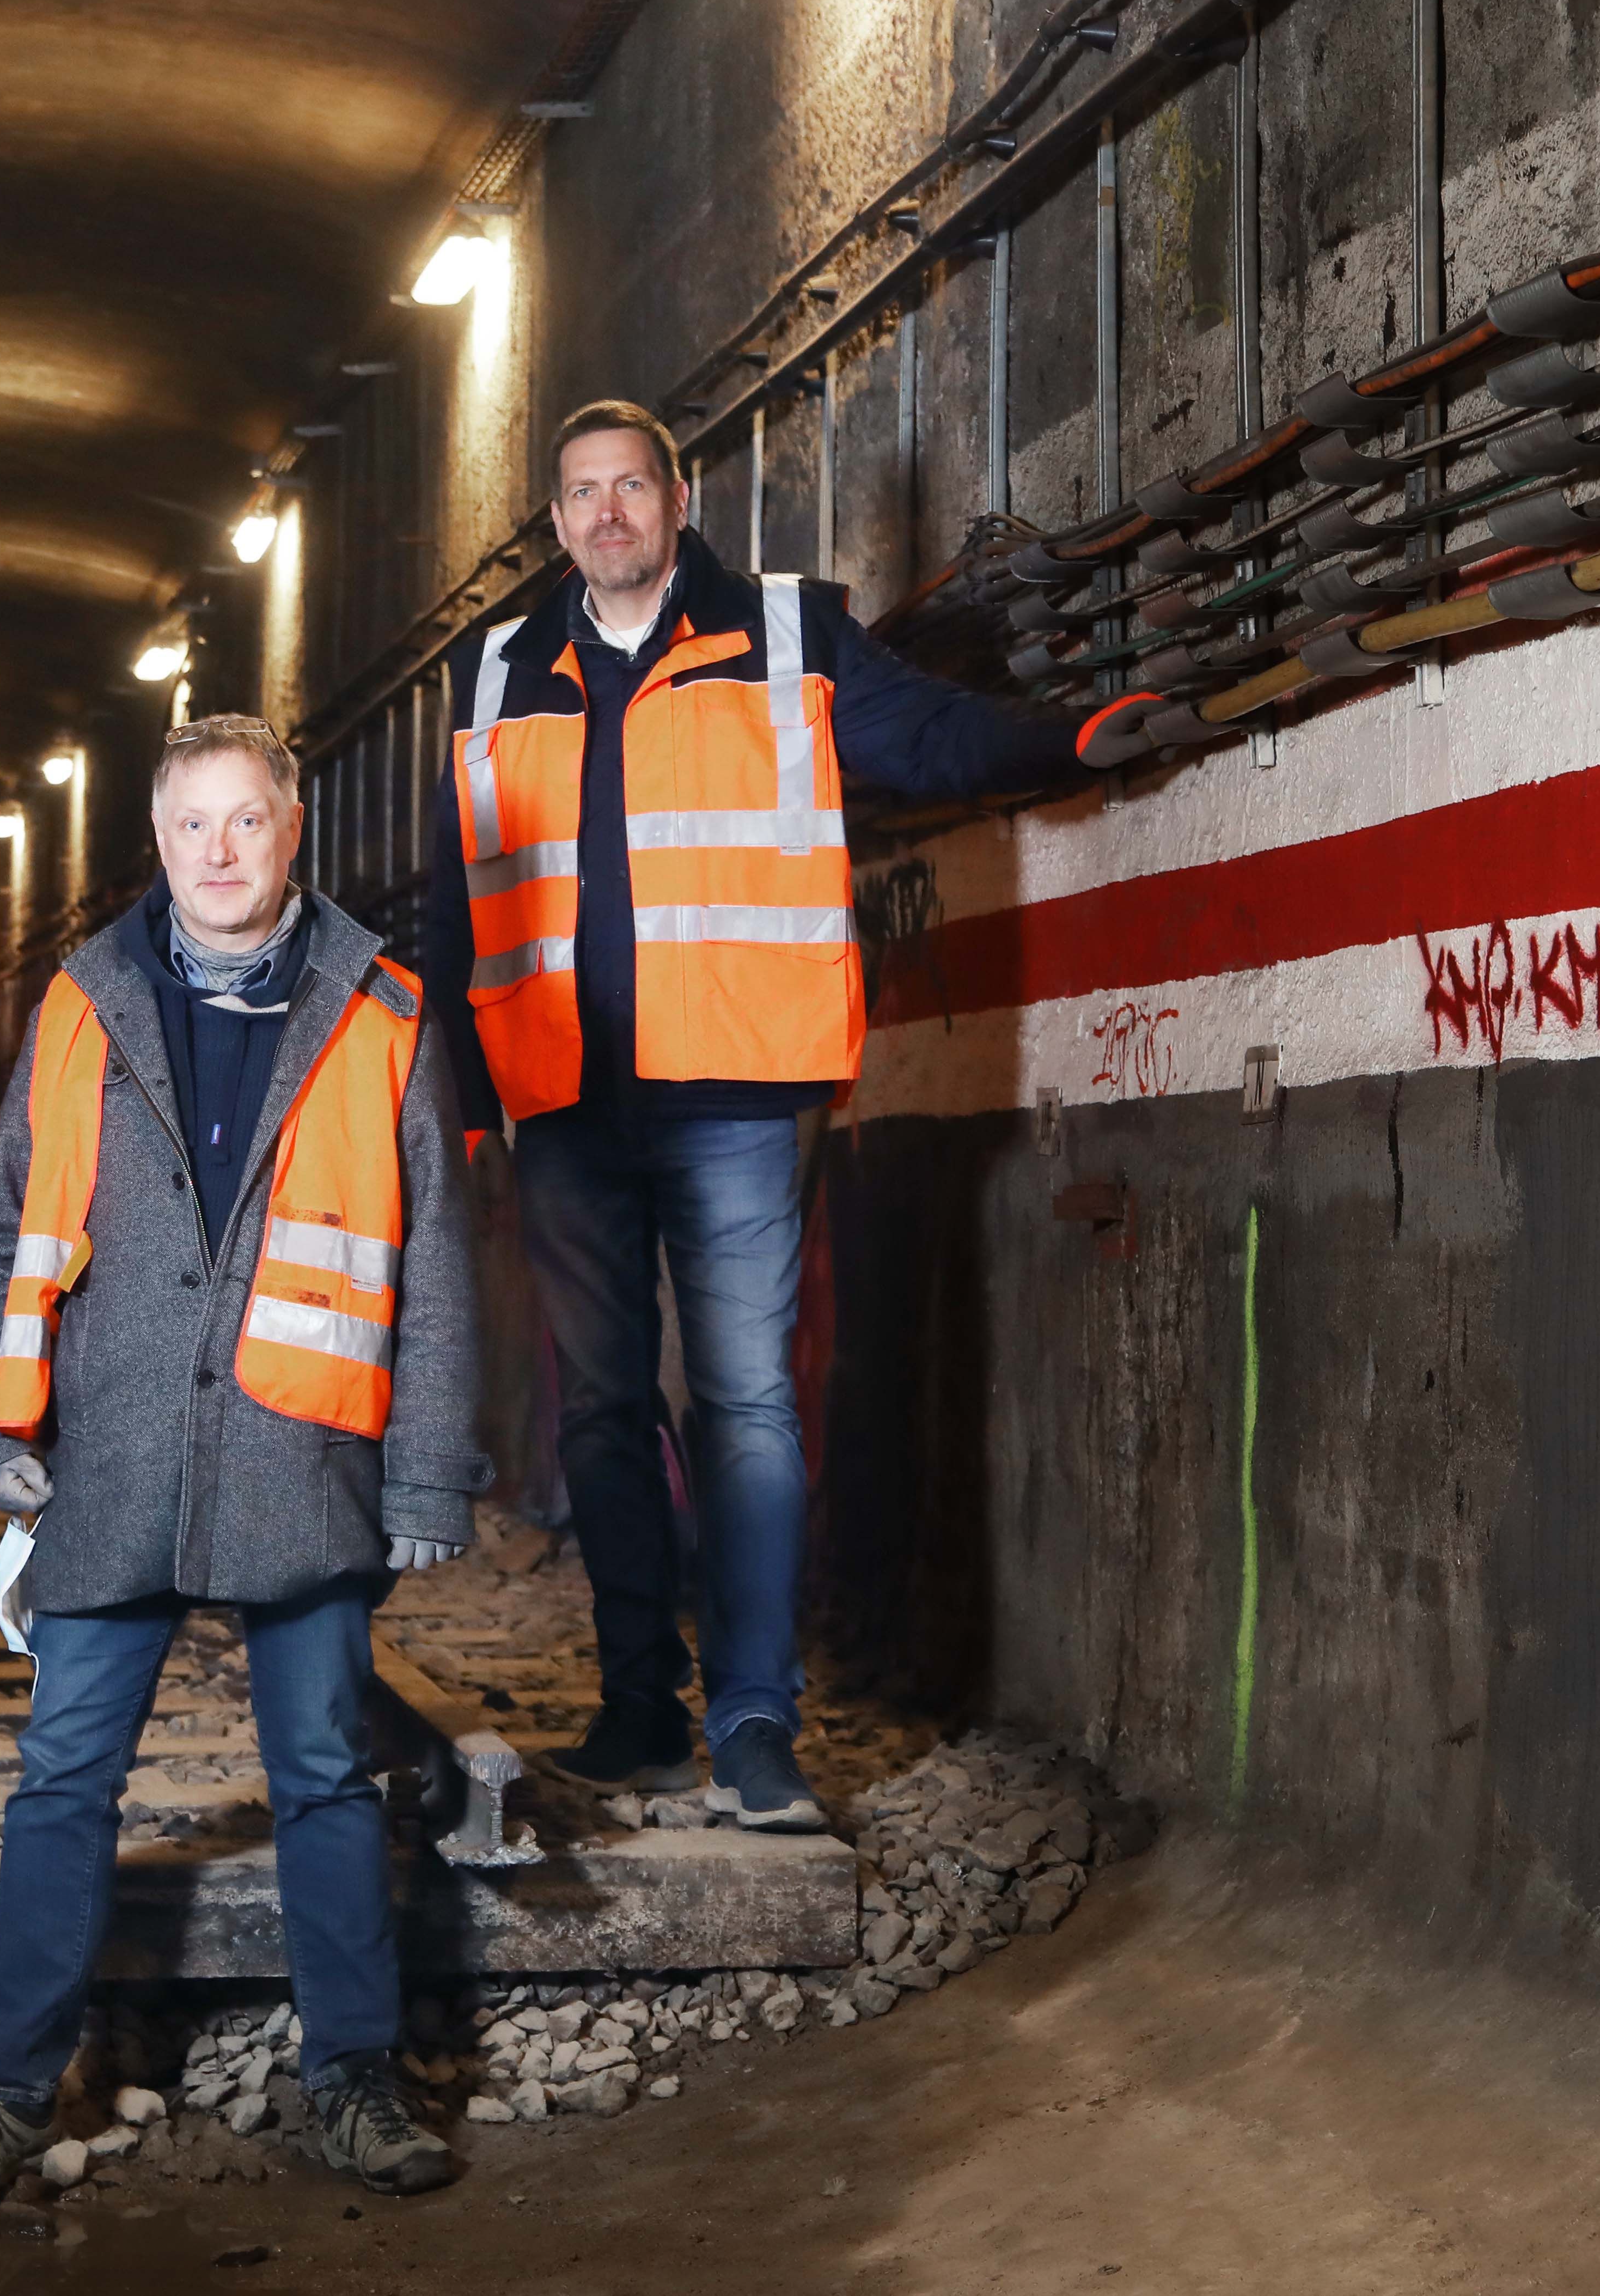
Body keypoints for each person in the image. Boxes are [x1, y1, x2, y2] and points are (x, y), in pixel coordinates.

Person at [420, 401, 1153, 1831]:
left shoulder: (782, 631)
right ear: (556, 523)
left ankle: (755, 1723)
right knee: (604, 1411)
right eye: (581, 494)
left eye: (631, 484)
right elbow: (463, 890)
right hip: (563, 1098)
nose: (608, 511)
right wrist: (461, 1093)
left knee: (748, 1401)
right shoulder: (497, 665)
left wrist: (1063, 742)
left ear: (677, 498)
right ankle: (639, 1709)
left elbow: (930, 738)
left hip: (739, 1087)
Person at [0, 713, 487, 2204]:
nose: (218, 853)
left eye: (245, 822)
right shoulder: (83, 1001)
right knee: (60, 1780)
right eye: (190, 828)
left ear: (291, 830)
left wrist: (425, 1475)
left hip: (300, 1449)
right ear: (157, 843)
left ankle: (352, 2081)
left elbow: (432, 1261)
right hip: (110, 1450)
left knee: (323, 1774)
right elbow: (4, 1230)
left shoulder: (382, 1006)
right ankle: (2, 2088)